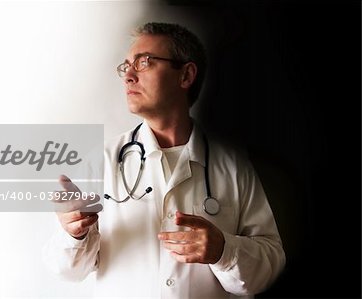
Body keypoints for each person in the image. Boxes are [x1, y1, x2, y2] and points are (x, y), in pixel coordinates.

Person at [43, 22, 286, 299]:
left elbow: (271, 264)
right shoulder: (103, 161)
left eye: (144, 62)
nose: (129, 76)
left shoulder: (233, 165)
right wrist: (73, 234)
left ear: (186, 75)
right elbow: (67, 271)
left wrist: (223, 250)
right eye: (126, 66)